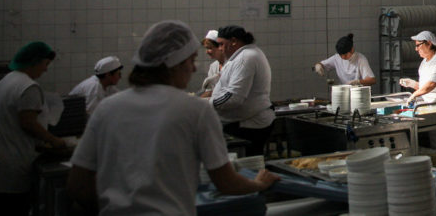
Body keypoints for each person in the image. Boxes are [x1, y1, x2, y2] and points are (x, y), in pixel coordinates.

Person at [67, 20, 279, 215]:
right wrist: (259, 184)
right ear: (175, 64)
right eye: (191, 61)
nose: (194, 68)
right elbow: (226, 183)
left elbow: (78, 185)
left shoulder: (107, 108)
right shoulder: (195, 111)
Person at [0, 42, 67, 216]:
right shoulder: (29, 87)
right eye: (45, 64)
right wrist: (54, 140)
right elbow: (28, 123)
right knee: (12, 207)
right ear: (34, 61)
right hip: (10, 158)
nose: (45, 70)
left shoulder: (4, 81)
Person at [211, 25, 274, 157]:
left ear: (234, 41)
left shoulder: (246, 58)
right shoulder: (242, 56)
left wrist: (208, 104)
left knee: (247, 163)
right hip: (244, 122)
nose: (220, 49)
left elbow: (233, 97)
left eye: (221, 44)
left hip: (249, 125)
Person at [398, 30, 436, 105]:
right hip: (429, 103)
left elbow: (431, 84)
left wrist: (414, 95)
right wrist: (412, 83)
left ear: (429, 44)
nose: (416, 49)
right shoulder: (424, 62)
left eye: (418, 45)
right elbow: (424, 87)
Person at [200, 30, 225, 97]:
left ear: (220, 47)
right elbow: (209, 91)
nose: (207, 52)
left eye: (209, 48)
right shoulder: (213, 66)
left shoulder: (231, 63)